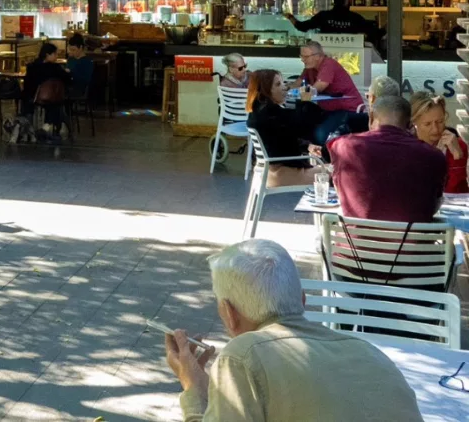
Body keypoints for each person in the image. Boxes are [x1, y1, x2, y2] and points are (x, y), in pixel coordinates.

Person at [164, 239, 421, 422]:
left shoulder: (242, 356)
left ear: (228, 313)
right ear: (302, 300)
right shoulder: (369, 352)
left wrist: (194, 391)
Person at [329, 95, 446, 223]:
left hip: (354, 241)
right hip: (413, 241)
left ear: (372, 117)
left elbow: (329, 148)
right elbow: (435, 204)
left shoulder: (344, 146)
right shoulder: (434, 156)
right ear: (410, 125)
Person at [245, 69, 324, 187]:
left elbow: (283, 137)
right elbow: (303, 127)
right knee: (340, 172)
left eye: (283, 83)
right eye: (278, 84)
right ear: (266, 90)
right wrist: (306, 101)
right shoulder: (272, 114)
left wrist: (308, 146)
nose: (285, 87)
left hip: (264, 172)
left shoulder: (257, 111)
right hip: (282, 174)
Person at [410, 90, 468, 194]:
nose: (436, 129)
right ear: (414, 123)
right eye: (427, 124)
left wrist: (458, 159)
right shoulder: (405, 147)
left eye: (440, 122)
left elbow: (459, 195)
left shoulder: (457, 145)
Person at [286, 0, 382, 41]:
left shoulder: (324, 16)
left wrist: (290, 17)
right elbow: (375, 34)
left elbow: (302, 26)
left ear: (334, 0)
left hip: (327, 60)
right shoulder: (354, 18)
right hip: (349, 62)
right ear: (347, 0)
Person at [19, 42, 70, 139]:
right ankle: (47, 127)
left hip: (33, 97)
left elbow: (27, 84)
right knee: (56, 101)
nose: (56, 56)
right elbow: (67, 79)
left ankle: (27, 125)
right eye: (55, 54)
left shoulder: (31, 67)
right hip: (50, 99)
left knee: (26, 99)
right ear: (48, 55)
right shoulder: (55, 68)